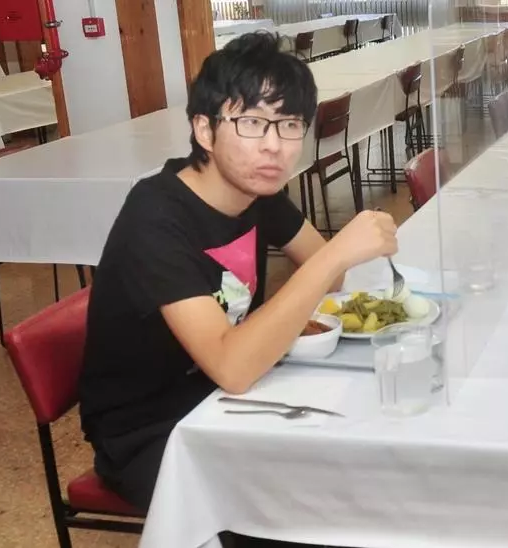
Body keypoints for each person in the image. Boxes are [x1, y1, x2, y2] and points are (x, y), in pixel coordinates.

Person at [78, 32, 398, 515]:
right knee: (313, 507)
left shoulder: (257, 191)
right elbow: (234, 367)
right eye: (250, 122)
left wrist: (331, 261)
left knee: (364, 460)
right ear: (204, 131)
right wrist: (336, 255)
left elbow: (327, 279)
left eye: (290, 124)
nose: (274, 146)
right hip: (152, 432)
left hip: (233, 397)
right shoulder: (155, 216)